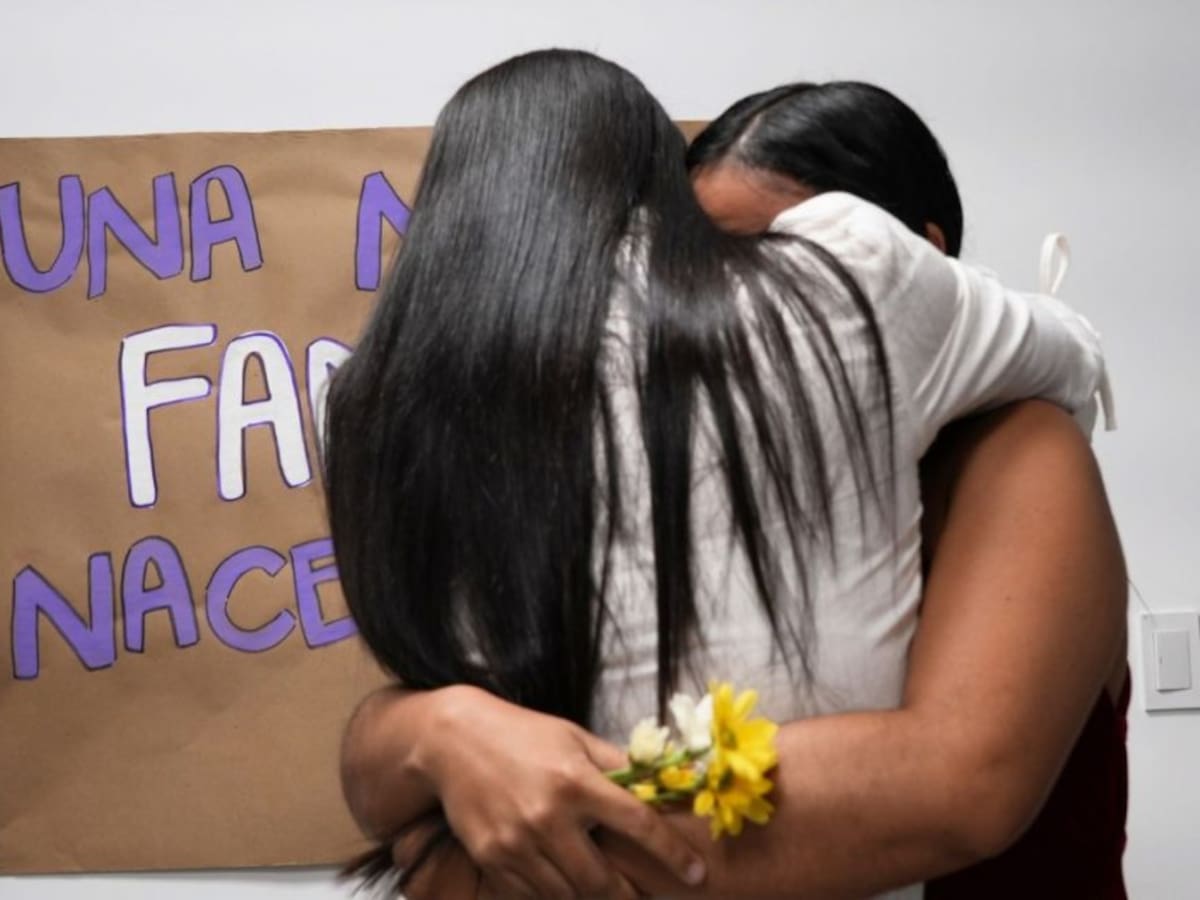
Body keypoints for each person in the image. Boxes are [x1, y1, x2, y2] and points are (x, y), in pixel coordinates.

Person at [325, 52, 1113, 899]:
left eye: (774, 261)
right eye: (696, 263)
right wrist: (435, 730)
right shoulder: (681, 490)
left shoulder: (1025, 453)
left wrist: (474, 862)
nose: (710, 307)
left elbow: (952, 788)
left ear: (925, 267)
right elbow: (406, 740)